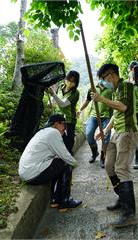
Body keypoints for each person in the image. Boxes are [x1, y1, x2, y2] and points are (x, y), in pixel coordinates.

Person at [91, 63, 138, 228]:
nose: (104, 83)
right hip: (116, 133)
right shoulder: (115, 91)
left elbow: (123, 107)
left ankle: (129, 213)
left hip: (127, 132)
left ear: (111, 75)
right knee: (109, 166)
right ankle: (122, 198)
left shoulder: (125, 86)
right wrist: (105, 129)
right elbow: (116, 113)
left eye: (104, 79)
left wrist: (100, 98)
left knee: (121, 169)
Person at [18, 114, 82, 209]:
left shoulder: (42, 132)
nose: (65, 128)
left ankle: (55, 200)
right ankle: (65, 201)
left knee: (58, 163)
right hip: (33, 174)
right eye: (64, 125)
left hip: (26, 173)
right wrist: (76, 165)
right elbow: (65, 155)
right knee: (65, 163)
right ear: (56, 124)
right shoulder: (53, 133)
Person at [47, 70, 80, 208]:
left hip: (69, 124)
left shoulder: (75, 93)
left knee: (66, 156)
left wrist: (53, 95)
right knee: (58, 157)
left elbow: (64, 104)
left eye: (73, 81)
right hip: (57, 124)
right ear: (66, 78)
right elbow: (57, 103)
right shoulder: (61, 87)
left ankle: (62, 197)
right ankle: (58, 198)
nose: (70, 82)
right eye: (69, 79)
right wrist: (52, 102)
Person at [77, 78, 113, 168]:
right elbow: (87, 100)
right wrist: (80, 110)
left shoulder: (111, 89)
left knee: (106, 137)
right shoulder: (93, 88)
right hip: (94, 115)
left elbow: (113, 102)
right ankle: (94, 152)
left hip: (106, 116)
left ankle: (103, 157)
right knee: (88, 133)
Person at [128, 61, 138, 169]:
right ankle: (130, 156)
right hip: (129, 113)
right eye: (132, 69)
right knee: (129, 135)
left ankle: (137, 159)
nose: (134, 71)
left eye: (136, 69)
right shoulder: (127, 83)